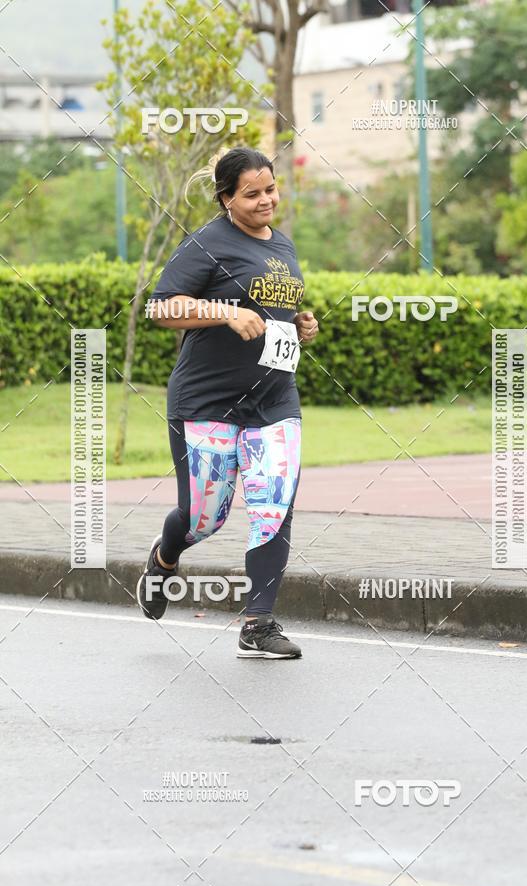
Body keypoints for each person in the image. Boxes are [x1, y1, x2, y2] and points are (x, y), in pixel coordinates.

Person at [136, 145, 318, 659]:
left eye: (271, 189)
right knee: (203, 517)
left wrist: (302, 326)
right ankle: (165, 557)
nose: (266, 200)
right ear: (226, 199)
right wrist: (223, 313)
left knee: (273, 504)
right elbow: (161, 306)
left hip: (274, 400)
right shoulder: (207, 243)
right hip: (207, 402)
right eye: (252, 193)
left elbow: (273, 312)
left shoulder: (282, 245)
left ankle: (258, 623)